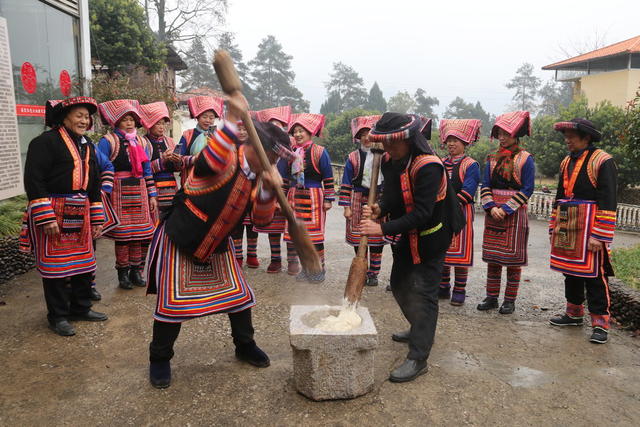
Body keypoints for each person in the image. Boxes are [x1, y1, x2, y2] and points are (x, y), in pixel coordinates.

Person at [146, 93, 293, 389]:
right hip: (183, 236)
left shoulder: (259, 175)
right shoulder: (223, 156)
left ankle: (244, 345)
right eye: (273, 157)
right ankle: (159, 358)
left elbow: (262, 220)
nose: (275, 162)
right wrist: (231, 120)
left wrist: (267, 190)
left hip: (219, 242)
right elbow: (206, 161)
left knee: (240, 298)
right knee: (172, 305)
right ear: (253, 147)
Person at [360, 113, 460, 383]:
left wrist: (381, 229)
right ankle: (419, 327)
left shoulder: (429, 167)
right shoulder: (392, 162)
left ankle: (419, 357)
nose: (388, 150)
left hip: (433, 234)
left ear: (408, 139)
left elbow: (423, 213)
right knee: (399, 283)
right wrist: (381, 208)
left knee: (425, 293)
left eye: (393, 144)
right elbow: (393, 196)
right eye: (385, 145)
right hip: (409, 232)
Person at [20, 97, 108, 336]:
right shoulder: (44, 142)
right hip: (54, 211)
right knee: (56, 269)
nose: (84, 120)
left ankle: (80, 308)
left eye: (87, 116)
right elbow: (34, 179)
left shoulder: (87, 145)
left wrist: (97, 216)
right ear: (64, 117)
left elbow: (94, 182)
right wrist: (45, 216)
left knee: (83, 265)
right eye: (79, 115)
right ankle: (58, 316)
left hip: (81, 212)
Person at [548, 118, 617, 344]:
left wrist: (600, 234)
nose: (567, 140)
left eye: (571, 136)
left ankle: (600, 323)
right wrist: (554, 225)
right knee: (571, 271)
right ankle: (574, 313)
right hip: (568, 222)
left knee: (595, 275)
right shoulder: (566, 161)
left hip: (590, 226)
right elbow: (560, 196)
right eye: (565, 136)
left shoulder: (603, 161)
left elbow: (608, 199)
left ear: (586, 138)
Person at [97, 100, 158, 290]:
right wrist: (104, 192)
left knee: (139, 235)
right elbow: (100, 166)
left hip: (139, 190)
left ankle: (136, 271)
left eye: (132, 119)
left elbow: (147, 170)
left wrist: (152, 195)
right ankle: (122, 273)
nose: (129, 123)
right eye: (125, 120)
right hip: (118, 190)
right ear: (116, 122)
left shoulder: (141, 141)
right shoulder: (108, 141)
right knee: (124, 236)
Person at [478, 111, 535, 314]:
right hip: (493, 212)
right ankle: (491, 297)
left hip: (514, 213)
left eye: (506, 134)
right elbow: (485, 184)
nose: (502, 138)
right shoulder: (491, 159)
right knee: (493, 259)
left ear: (516, 135)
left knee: (512, 261)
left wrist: (506, 208)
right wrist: (491, 207)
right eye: (499, 134)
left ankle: (509, 300)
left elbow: (527, 188)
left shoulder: (526, 159)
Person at [284, 113, 335, 282]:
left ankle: (318, 269)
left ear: (310, 132)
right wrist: (283, 198)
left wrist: (328, 199)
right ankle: (306, 269)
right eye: (295, 131)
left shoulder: (320, 152)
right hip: (294, 197)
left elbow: (328, 176)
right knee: (297, 237)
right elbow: (286, 177)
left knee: (315, 237)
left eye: (301, 131)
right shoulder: (291, 153)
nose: (297, 134)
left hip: (314, 197)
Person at [438, 119, 481, 305]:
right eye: (449, 139)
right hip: (441, 212)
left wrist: (448, 205)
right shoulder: (440, 163)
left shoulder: (471, 165)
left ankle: (460, 289)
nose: (451, 143)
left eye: (456, 140)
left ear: (465, 143)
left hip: (461, 212)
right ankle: (443, 286)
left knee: (461, 253)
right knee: (442, 250)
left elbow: (468, 191)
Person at [339, 114, 385, 287]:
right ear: (358, 137)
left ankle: (374, 273)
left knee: (376, 240)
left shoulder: (384, 156)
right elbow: (346, 182)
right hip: (357, 199)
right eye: (363, 134)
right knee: (358, 237)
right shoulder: (353, 157)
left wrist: (385, 204)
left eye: (370, 133)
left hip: (378, 201)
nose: (367, 137)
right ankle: (362, 269)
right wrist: (346, 207)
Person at [252, 106, 294, 274]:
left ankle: (292, 261)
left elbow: (295, 176)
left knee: (292, 229)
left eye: (279, 124)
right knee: (273, 230)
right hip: (269, 192)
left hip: (287, 193)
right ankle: (275, 259)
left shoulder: (289, 152)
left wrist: (289, 198)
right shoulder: (260, 154)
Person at [139, 101, 181, 216]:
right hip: (153, 189)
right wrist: (162, 161)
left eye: (163, 123)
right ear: (149, 124)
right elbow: (143, 169)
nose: (162, 127)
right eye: (158, 123)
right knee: (156, 220)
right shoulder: (143, 143)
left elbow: (177, 169)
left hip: (172, 188)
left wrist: (177, 161)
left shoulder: (170, 141)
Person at [231, 120, 261, 268]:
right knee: (236, 224)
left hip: (252, 189)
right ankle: (238, 256)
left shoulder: (256, 148)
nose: (242, 132)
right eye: (239, 129)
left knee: (252, 224)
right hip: (235, 190)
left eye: (245, 129)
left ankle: (252, 255)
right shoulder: (230, 147)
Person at [178, 95, 225, 178]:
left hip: (212, 181)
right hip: (190, 180)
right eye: (204, 117)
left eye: (211, 118)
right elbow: (178, 159)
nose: (208, 120)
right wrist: (194, 159)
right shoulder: (187, 135)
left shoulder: (219, 136)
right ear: (198, 117)